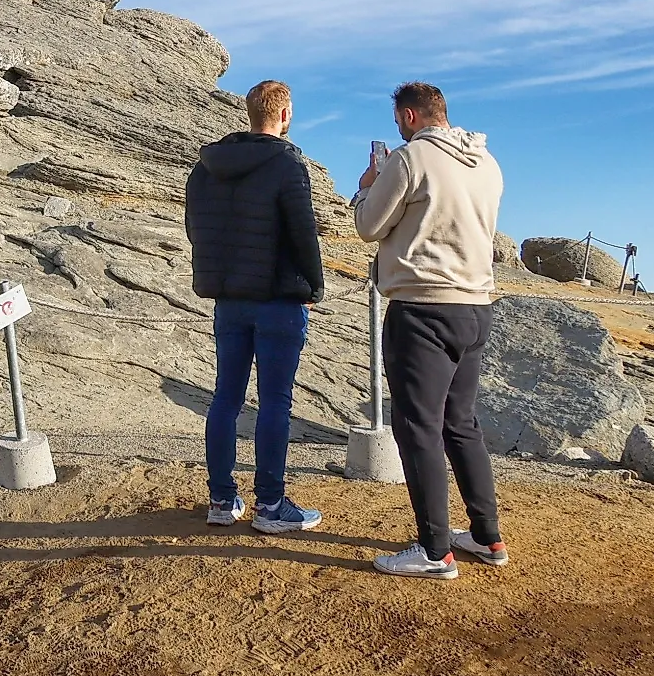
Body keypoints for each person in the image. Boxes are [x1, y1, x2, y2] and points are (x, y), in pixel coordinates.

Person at [351, 81, 508, 579]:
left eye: (400, 119)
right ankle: (486, 537)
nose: (398, 127)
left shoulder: (408, 159)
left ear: (411, 116)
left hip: (421, 308)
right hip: (475, 307)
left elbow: (370, 226)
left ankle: (434, 549)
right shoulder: (488, 163)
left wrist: (366, 186)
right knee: (461, 425)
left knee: (417, 427)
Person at [184, 78, 325, 534]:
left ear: (250, 112)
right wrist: (314, 286)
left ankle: (222, 500)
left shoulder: (207, 167)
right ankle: (270, 505)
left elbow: (196, 229)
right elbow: (304, 233)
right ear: (284, 115)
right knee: (274, 403)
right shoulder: (288, 165)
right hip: (278, 298)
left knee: (225, 397)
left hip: (230, 298)